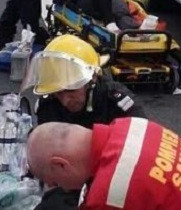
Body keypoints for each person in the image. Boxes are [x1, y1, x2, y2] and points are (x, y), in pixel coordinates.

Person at [24, 34, 146, 210]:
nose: (65, 101)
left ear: (92, 79)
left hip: (113, 179)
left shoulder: (119, 105)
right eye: (58, 93)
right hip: (69, 181)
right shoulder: (48, 105)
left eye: (72, 91)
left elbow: (139, 156)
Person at [27, 119, 181, 210]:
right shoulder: (132, 126)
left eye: (56, 182)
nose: (64, 189)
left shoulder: (108, 196)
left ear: (60, 164)